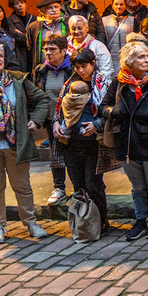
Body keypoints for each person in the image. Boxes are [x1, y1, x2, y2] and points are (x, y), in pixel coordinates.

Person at [101, 42, 148, 241]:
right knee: (138, 187)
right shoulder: (118, 82)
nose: (147, 60)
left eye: (147, 56)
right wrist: (112, 111)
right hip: (126, 141)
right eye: (141, 57)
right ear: (129, 62)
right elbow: (104, 106)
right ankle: (141, 220)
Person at [0, 42, 50, 245]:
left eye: (0, 55)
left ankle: (30, 223)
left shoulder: (17, 81)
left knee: (22, 186)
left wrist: (36, 120)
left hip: (15, 144)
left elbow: (42, 99)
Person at [53, 49, 118, 236]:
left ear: (93, 63)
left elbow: (111, 109)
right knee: (78, 183)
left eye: (85, 66)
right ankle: (83, 222)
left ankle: (101, 220)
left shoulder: (103, 84)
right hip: (71, 141)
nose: (81, 70)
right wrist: (56, 123)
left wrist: (97, 124)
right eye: (77, 66)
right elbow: (58, 109)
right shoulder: (68, 84)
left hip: (94, 143)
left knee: (93, 183)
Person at [30, 35, 73, 206]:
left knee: (73, 154)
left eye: (53, 49)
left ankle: (79, 188)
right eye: (46, 49)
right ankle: (59, 187)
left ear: (64, 51)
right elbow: (36, 96)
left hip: (70, 119)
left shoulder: (73, 68)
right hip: (49, 118)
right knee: (55, 155)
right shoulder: (40, 70)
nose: (48, 53)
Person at [67, 15, 115, 80]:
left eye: (80, 28)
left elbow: (106, 71)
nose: (76, 31)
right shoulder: (65, 46)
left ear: (87, 28)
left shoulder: (98, 46)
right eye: (73, 29)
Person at [26, 0, 67, 69]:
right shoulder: (34, 27)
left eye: (56, 7)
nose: (54, 10)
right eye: (50, 8)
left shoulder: (67, 23)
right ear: (42, 11)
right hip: (42, 68)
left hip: (65, 66)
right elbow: (30, 48)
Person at [4, 0, 35, 72]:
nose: (20, 5)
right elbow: (16, 35)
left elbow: (38, 35)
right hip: (20, 53)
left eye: (22, 2)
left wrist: (22, 34)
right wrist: (31, 37)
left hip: (33, 52)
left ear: (26, 4)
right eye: (16, 4)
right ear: (12, 7)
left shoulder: (34, 18)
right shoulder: (9, 20)